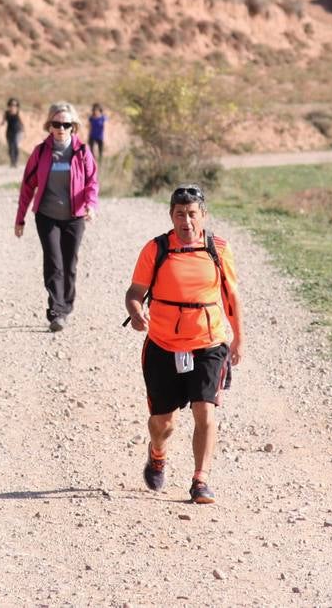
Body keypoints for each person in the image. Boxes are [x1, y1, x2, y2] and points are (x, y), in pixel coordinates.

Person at [124, 186, 244, 505]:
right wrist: (137, 313)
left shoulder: (218, 249)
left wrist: (238, 339)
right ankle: (157, 453)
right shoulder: (156, 249)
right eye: (180, 214)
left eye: (192, 214)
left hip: (208, 342)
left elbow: (231, 297)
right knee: (163, 423)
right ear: (171, 216)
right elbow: (135, 292)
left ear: (203, 215)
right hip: (163, 344)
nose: (186, 221)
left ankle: (200, 480)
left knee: (205, 410)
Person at [15, 103, 99, 332]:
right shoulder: (41, 152)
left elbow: (92, 181)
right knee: (54, 263)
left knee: (70, 264)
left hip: (75, 217)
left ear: (73, 127)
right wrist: (20, 218)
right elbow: (27, 186)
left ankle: (67, 305)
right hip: (47, 216)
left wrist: (91, 205)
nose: (61, 128)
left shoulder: (82, 152)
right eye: (56, 124)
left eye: (66, 124)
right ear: (49, 126)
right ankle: (56, 311)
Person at [3, 98, 25, 167]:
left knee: (15, 146)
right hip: (9, 132)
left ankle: (15, 162)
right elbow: (3, 121)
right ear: (9, 105)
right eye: (12, 105)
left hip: (17, 132)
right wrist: (1, 123)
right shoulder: (6, 113)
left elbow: (22, 122)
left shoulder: (18, 113)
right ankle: (12, 161)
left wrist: (24, 131)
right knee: (10, 147)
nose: (13, 106)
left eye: (15, 105)